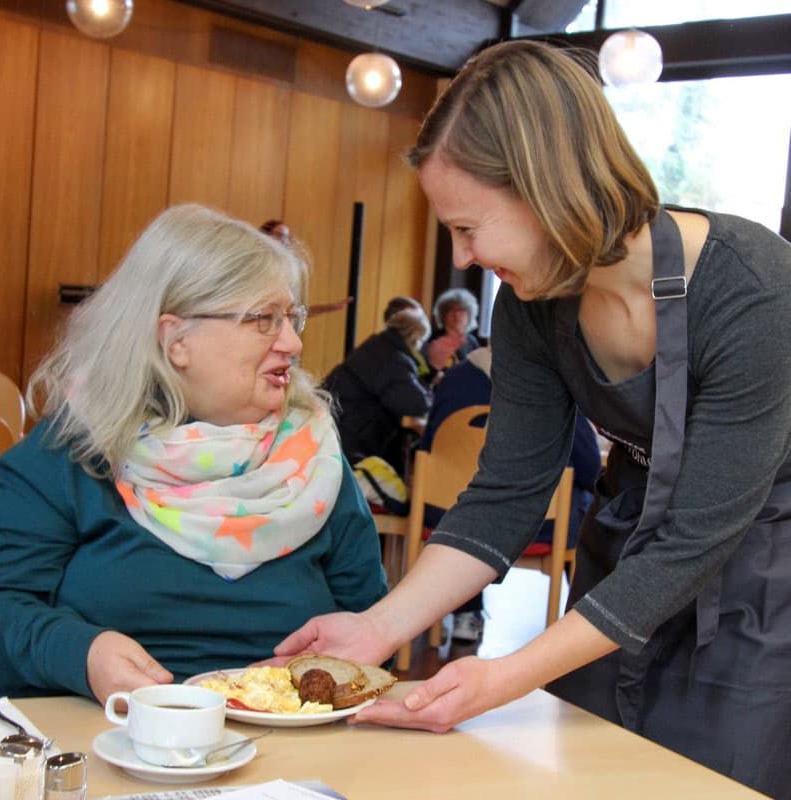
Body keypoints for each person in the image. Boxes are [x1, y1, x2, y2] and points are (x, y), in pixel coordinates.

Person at [274, 40, 791, 798]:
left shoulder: (754, 289)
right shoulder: (531, 305)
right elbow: (505, 494)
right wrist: (378, 630)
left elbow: (696, 540)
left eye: (469, 227)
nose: (463, 255)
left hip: (761, 575)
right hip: (627, 557)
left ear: (551, 189)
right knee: (595, 774)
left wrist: (507, 677)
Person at [0, 204, 387, 704]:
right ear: (176, 339)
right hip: (113, 736)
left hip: (293, 752)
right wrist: (82, 654)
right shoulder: (71, 452)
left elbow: (370, 623)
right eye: (264, 319)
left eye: (291, 317)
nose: (293, 341)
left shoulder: (312, 455)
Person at [420, 346, 601, 642]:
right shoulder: (556, 379)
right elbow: (590, 466)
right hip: (541, 527)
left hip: (448, 518)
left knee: (469, 508)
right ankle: (582, 625)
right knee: (586, 496)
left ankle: (466, 612)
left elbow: (427, 445)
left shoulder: (454, 378)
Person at [323, 303, 432, 476]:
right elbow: (415, 404)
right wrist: (430, 390)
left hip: (334, 425)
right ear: (415, 337)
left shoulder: (377, 346)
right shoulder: (394, 359)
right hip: (352, 437)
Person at [260, 219, 352, 316]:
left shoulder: (289, 274)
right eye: (280, 235)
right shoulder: (260, 271)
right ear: (265, 238)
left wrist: (330, 307)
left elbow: (295, 313)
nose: (285, 241)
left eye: (288, 237)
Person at [423, 288, 481, 379]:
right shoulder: (432, 339)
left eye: (462, 310)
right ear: (443, 315)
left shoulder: (471, 342)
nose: (456, 315)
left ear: (470, 315)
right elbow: (422, 372)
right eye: (452, 310)